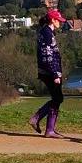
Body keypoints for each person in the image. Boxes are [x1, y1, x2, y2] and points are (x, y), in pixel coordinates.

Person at [27, 9, 67, 138]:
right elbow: (47, 55)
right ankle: (39, 121)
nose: (60, 23)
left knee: (57, 98)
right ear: (52, 20)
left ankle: (49, 128)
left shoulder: (46, 32)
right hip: (49, 72)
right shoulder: (47, 33)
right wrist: (55, 74)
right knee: (58, 98)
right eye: (58, 21)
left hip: (48, 71)